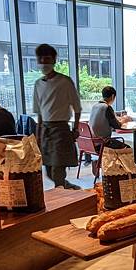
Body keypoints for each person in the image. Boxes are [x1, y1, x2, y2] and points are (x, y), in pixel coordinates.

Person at [32, 43, 82, 189]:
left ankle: (62, 194)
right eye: (40, 59)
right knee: (48, 170)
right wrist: (38, 136)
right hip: (45, 130)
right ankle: (68, 188)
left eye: (47, 59)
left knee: (57, 169)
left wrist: (76, 128)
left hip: (61, 129)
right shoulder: (38, 84)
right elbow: (39, 113)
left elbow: (77, 107)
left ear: (54, 60)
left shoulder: (65, 81)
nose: (43, 62)